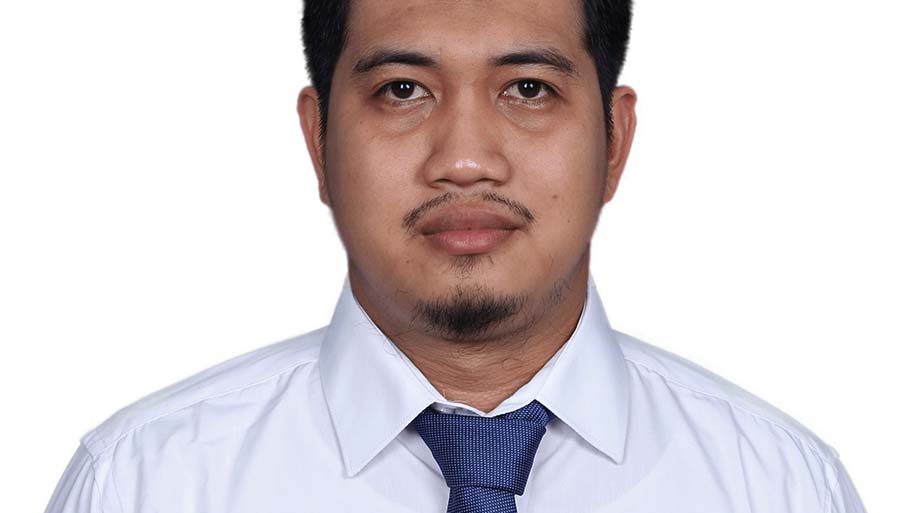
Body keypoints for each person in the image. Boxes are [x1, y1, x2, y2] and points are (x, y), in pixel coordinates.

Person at [44, 1, 868, 512]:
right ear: (316, 137)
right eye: (404, 89)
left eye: (528, 89)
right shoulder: (147, 485)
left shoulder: (780, 488)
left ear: (615, 140)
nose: (466, 158)